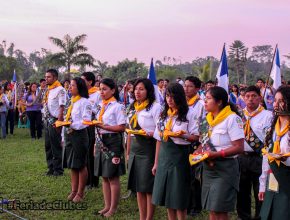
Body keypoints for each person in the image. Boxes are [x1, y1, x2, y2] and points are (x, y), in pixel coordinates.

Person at [152, 83, 199, 220]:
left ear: (180, 97)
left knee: (178, 195)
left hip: (180, 156)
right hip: (165, 156)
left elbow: (196, 137)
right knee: (167, 195)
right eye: (167, 96)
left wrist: (182, 135)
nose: (169, 100)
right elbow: (158, 139)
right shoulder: (163, 114)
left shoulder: (189, 113)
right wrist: (156, 163)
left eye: (173, 97)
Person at [198, 86, 244, 220]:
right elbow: (203, 142)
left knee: (221, 209)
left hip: (225, 168)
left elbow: (239, 147)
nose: (205, 102)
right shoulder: (206, 119)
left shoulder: (232, 119)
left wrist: (218, 154)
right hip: (209, 168)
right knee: (212, 208)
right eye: (204, 99)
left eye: (208, 99)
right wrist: (197, 152)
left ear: (219, 102)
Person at [126, 78, 161, 220]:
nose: (137, 92)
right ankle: (142, 217)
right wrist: (128, 153)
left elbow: (160, 133)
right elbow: (129, 130)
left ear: (148, 91)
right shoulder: (133, 106)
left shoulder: (155, 107)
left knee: (148, 187)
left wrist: (156, 161)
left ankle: (149, 217)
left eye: (141, 89)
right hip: (135, 148)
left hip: (148, 149)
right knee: (138, 186)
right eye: (136, 89)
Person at [237, 86, 273, 220]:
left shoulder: (268, 116)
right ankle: (243, 216)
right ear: (243, 98)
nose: (250, 99)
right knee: (242, 191)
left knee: (260, 190)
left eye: (253, 96)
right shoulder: (238, 116)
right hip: (242, 157)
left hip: (259, 158)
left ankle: (260, 216)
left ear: (260, 97)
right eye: (247, 96)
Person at [94, 78, 126, 217]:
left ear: (113, 90)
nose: (101, 92)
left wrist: (104, 126)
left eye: (105, 89)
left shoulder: (118, 106)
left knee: (112, 176)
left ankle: (113, 208)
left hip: (112, 142)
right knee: (104, 176)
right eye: (100, 89)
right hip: (101, 140)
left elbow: (122, 127)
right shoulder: (102, 105)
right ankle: (106, 206)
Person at [258, 86, 290, 220]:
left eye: (281, 101)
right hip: (273, 178)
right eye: (275, 100)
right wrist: (262, 184)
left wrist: (283, 158)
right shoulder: (272, 128)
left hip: (287, 178)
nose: (275, 104)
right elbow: (267, 159)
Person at [63, 77, 92, 203]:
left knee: (80, 165)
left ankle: (80, 193)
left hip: (79, 135)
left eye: (73, 85)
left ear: (79, 87)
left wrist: (71, 124)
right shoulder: (72, 101)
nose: (70, 87)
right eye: (70, 85)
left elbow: (86, 121)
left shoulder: (85, 102)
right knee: (73, 165)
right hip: (70, 134)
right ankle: (73, 191)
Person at [183, 76, 204, 216]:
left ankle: (196, 206)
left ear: (197, 88)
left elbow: (204, 125)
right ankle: (187, 203)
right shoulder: (182, 102)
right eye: (185, 85)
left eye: (190, 86)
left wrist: (201, 144)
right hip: (183, 141)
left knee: (195, 176)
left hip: (196, 142)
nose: (186, 88)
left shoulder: (201, 104)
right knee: (185, 175)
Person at [43, 69, 67, 176]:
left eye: (48, 77)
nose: (46, 79)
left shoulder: (60, 89)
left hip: (55, 120)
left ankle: (58, 170)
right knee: (48, 145)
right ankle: (51, 168)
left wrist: (59, 123)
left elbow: (62, 107)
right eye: (46, 76)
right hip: (47, 120)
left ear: (55, 78)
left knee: (56, 146)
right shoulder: (48, 89)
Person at [81, 72, 101, 189]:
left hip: (92, 125)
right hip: (83, 125)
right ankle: (87, 180)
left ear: (90, 81)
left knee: (91, 152)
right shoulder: (82, 94)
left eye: (84, 80)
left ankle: (94, 180)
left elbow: (99, 109)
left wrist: (89, 109)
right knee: (85, 152)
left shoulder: (97, 94)